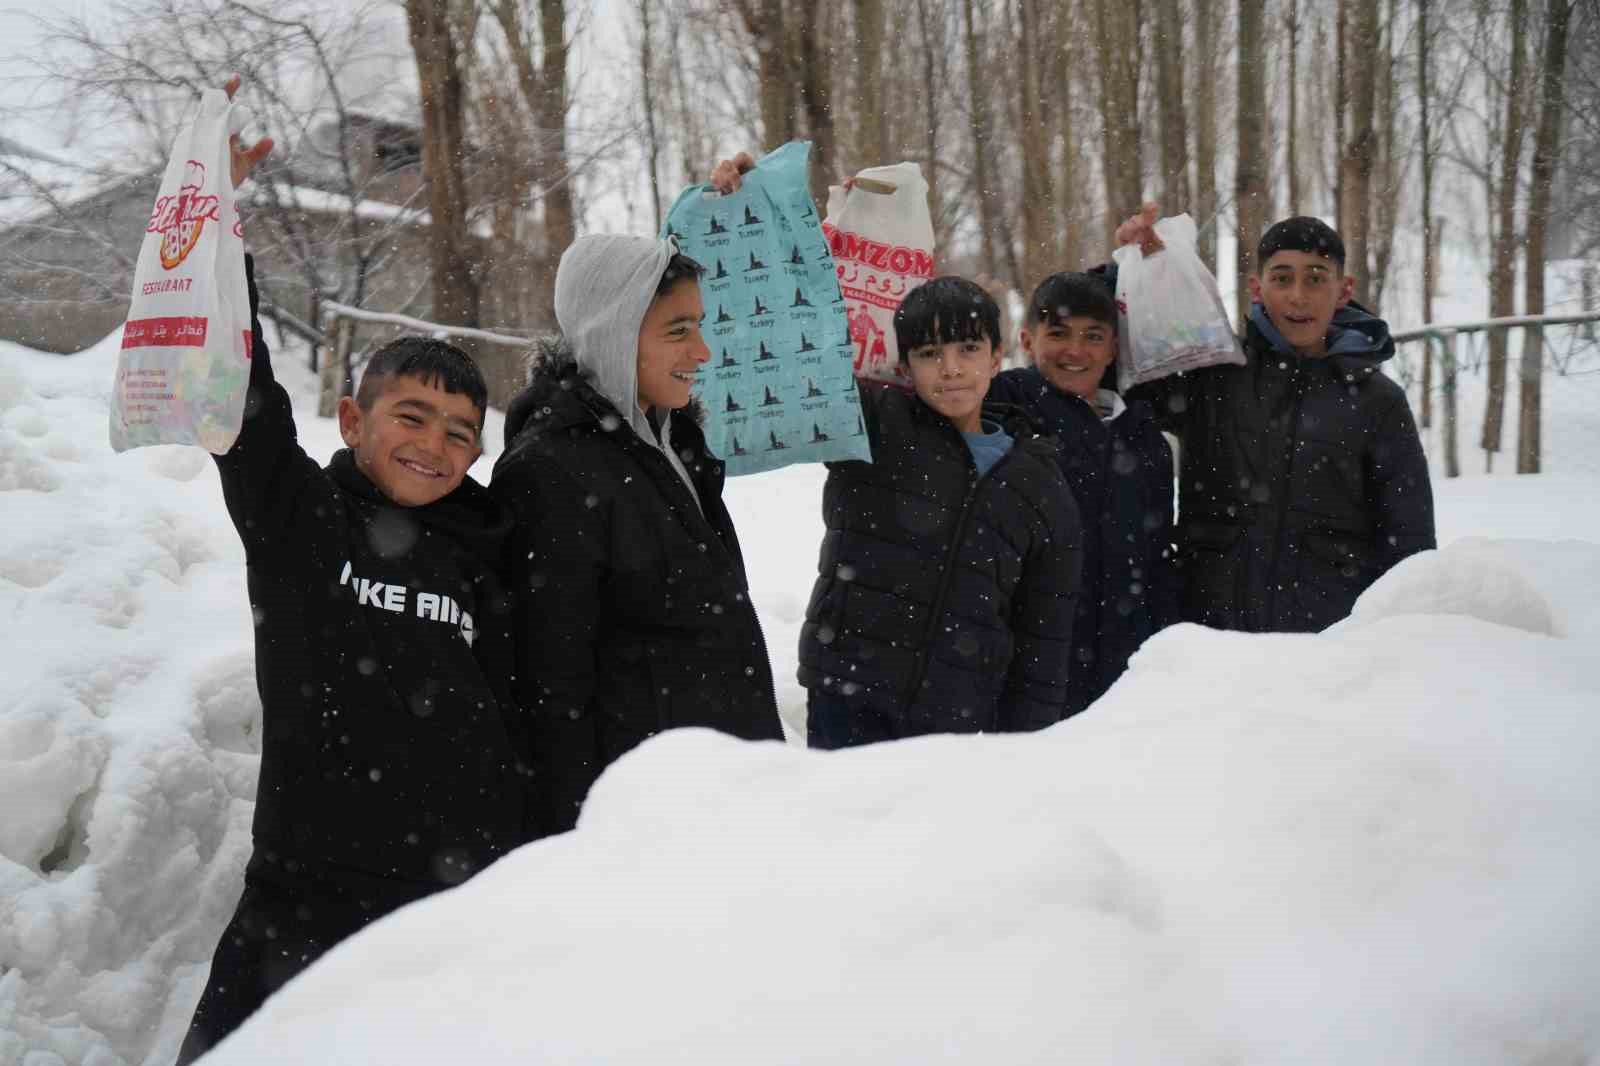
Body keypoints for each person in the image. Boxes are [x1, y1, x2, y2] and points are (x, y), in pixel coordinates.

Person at [178, 79, 526, 1063]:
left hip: (454, 909)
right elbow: (234, 385)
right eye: (410, 417)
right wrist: (216, 221)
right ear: (352, 419)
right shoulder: (302, 520)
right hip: (304, 894)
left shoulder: (483, 554)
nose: (435, 443)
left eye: (461, 431)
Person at [711, 153, 1083, 747]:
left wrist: (1025, 753)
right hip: (848, 700)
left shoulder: (1039, 482)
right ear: (904, 366)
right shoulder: (873, 426)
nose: (951, 370)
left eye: (966, 350)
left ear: (996, 356)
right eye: (930, 355)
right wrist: (754, 208)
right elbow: (781, 345)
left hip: (958, 724)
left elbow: (1044, 641)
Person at [491, 234, 783, 837]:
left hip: (721, 787)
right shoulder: (550, 473)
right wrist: (581, 840)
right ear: (613, 333)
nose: (703, 351)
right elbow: (552, 685)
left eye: (699, 326)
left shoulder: (673, 441)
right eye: (678, 331)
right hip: (643, 817)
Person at [1112, 208, 1435, 632]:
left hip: (1328, 648)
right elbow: (1113, 381)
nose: (1298, 296)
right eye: (1282, 278)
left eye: (1316, 278)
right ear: (1257, 288)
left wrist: (1395, 646)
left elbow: (1409, 545)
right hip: (1209, 643)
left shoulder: (1378, 402)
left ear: (1343, 290)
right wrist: (1134, 271)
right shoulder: (1211, 375)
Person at [986, 272, 1178, 716]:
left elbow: (1156, 555)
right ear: (1027, 340)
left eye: (1093, 337)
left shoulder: (1144, 438)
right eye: (1058, 334)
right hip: (1027, 671)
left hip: (1126, 672)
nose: (1076, 351)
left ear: (1113, 349)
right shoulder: (999, 412)